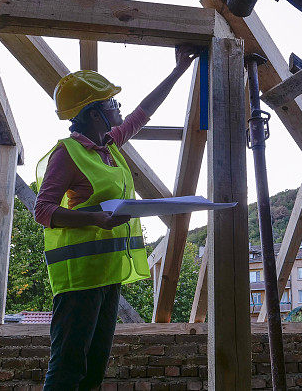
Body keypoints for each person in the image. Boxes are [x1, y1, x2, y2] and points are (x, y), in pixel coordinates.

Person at [34, 45, 199, 390]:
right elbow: (43, 211)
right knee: (67, 367)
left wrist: (178, 71)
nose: (119, 108)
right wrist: (96, 219)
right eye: (113, 104)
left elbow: (143, 112)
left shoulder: (108, 145)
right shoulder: (68, 153)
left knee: (94, 367)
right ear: (96, 114)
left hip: (107, 274)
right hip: (79, 279)